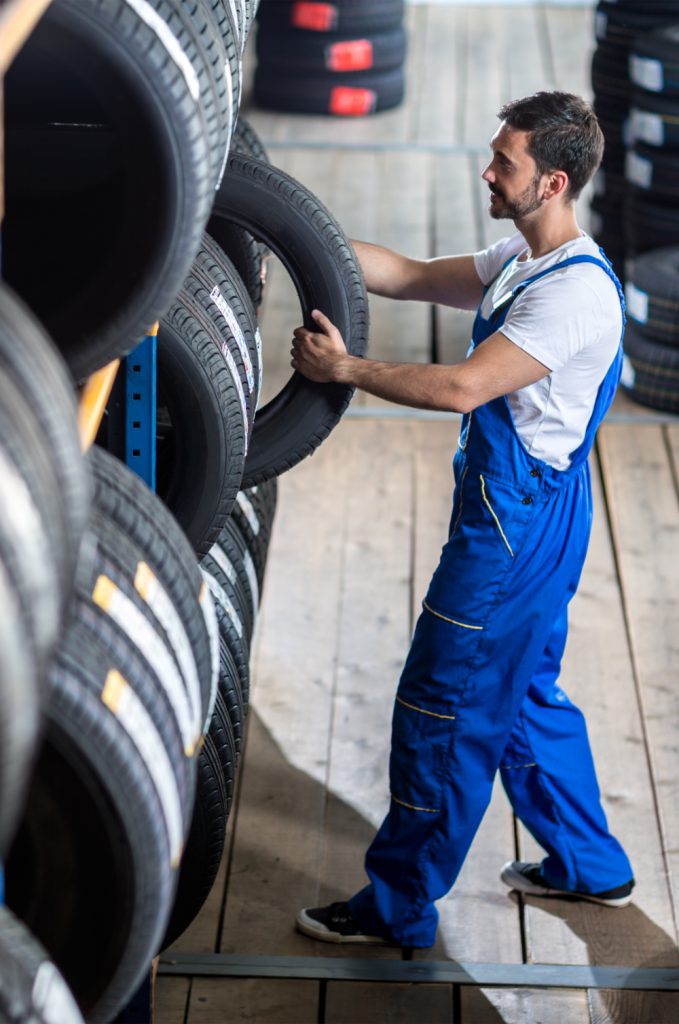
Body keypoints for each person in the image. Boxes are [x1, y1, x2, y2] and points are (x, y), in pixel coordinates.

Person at [290, 91, 635, 949]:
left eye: (504, 162)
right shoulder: (524, 258)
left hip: (513, 528)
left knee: (442, 704)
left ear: (551, 181)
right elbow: (402, 273)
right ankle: (591, 867)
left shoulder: (574, 296)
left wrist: (346, 369)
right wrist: (289, 236)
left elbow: (460, 387)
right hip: (537, 511)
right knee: (519, 693)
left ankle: (398, 905)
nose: (487, 170)